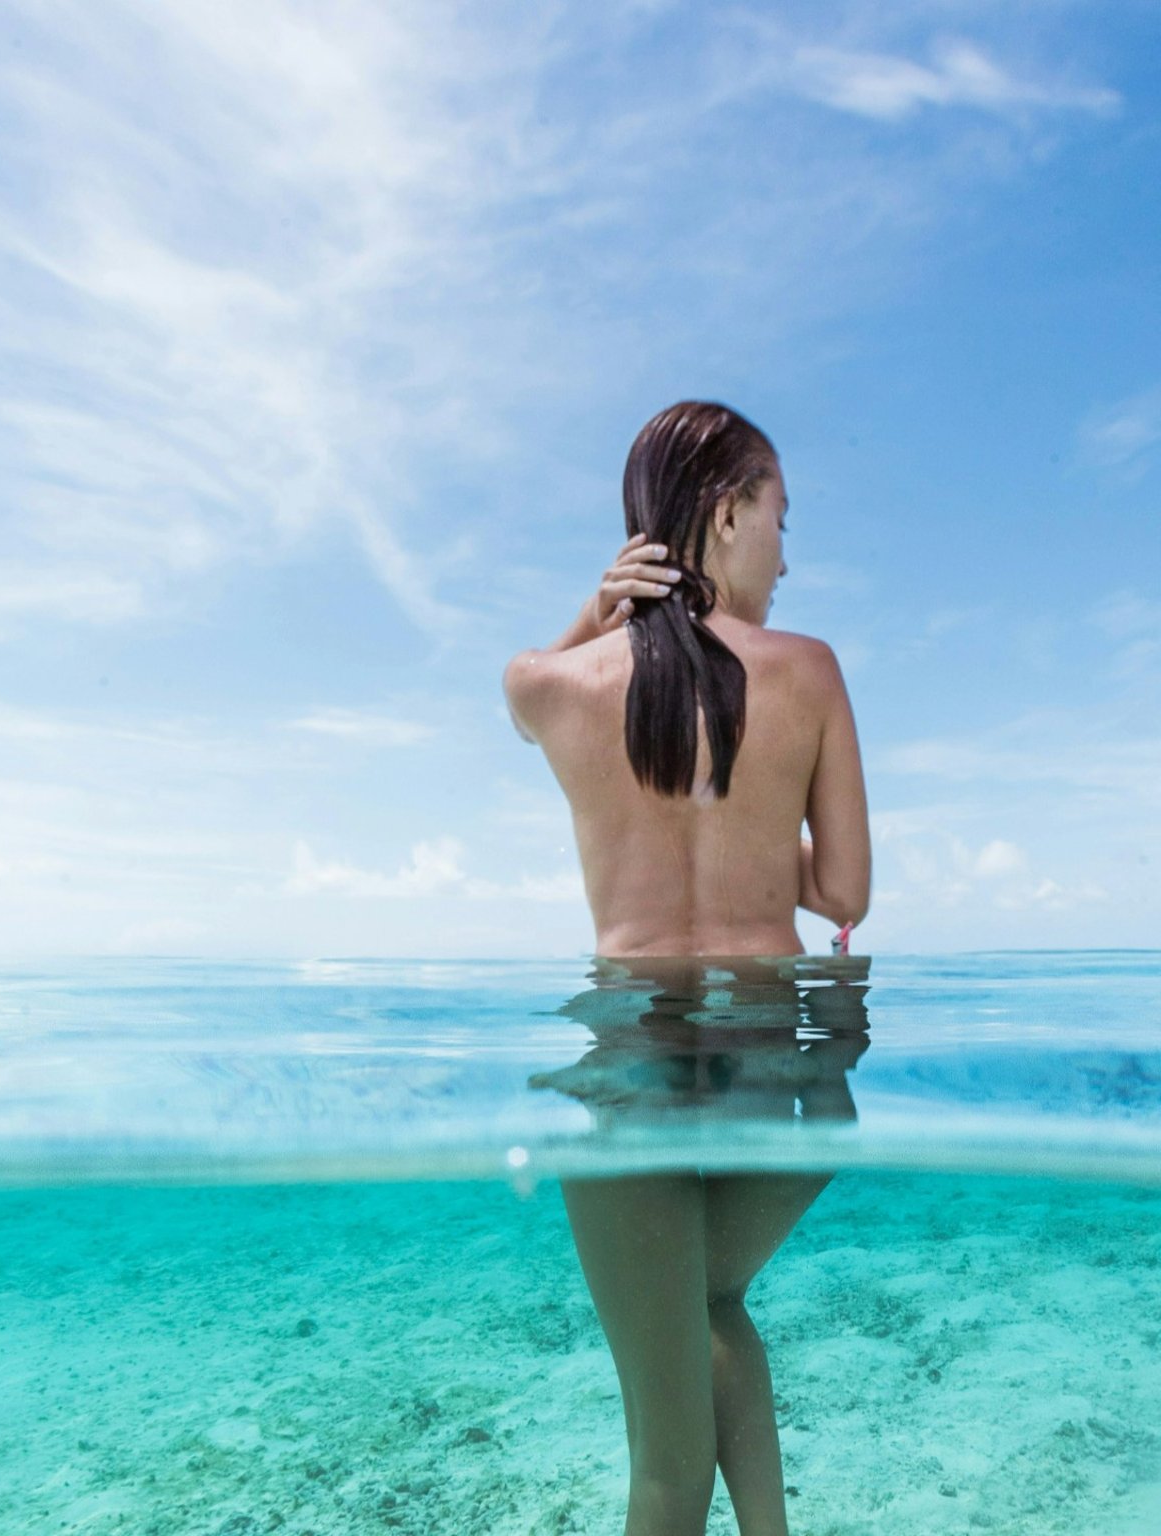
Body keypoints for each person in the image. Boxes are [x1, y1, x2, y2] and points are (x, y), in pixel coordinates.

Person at [503, 400, 871, 1535]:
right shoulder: (808, 671)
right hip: (784, 1065)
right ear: (725, 514)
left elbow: (523, 698)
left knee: (664, 1466)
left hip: (634, 1060)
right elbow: (846, 894)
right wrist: (761, 838)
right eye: (778, 519)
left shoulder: (555, 688)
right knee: (713, 1300)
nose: (787, 553)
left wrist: (595, 610)